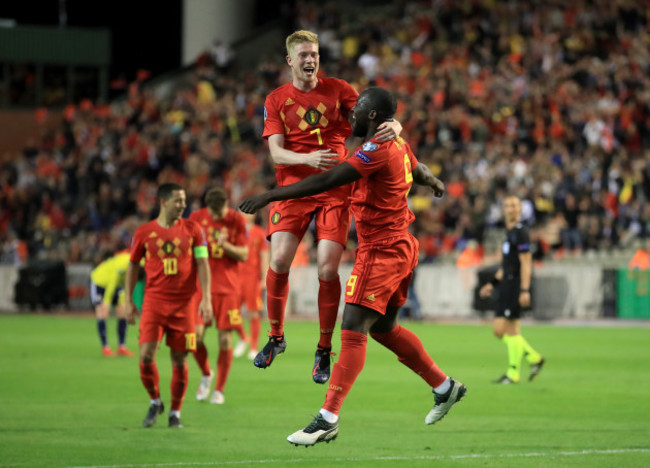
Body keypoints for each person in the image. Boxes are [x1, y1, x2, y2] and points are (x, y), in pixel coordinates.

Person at [240, 87, 466, 446]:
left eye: (358, 108)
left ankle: (327, 417)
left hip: (381, 251)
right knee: (384, 329)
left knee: (354, 326)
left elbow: (328, 180)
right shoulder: (395, 143)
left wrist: (270, 196)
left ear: (373, 117)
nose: (352, 112)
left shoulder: (374, 151)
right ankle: (444, 386)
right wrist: (436, 182)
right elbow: (417, 168)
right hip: (403, 245)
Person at [258, 30, 402, 384]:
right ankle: (276, 337)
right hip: (293, 187)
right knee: (278, 260)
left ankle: (323, 350)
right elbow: (276, 152)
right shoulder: (276, 99)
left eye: (315, 54)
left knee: (326, 269)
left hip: (335, 189)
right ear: (290, 61)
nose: (310, 60)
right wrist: (308, 157)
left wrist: (395, 124)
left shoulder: (339, 89)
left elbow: (372, 117)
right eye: (303, 55)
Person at [124, 183, 213, 428]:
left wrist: (206, 298)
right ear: (163, 202)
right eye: (178, 200)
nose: (183, 205)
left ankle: (175, 413)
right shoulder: (143, 232)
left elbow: (203, 264)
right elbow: (132, 266)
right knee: (145, 355)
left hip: (185, 305)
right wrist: (128, 300)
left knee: (180, 360)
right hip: (154, 303)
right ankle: (155, 401)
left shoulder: (194, 230)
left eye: (184, 200)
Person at [189, 187, 248, 405]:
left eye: (218, 213)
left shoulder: (236, 221)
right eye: (212, 214)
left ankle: (219, 390)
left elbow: (244, 254)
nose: (215, 218)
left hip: (227, 289)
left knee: (225, 339)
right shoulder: (196, 218)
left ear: (225, 205)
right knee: (194, 337)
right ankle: (206, 374)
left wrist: (225, 245)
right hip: (201, 288)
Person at [479, 195, 545, 384]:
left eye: (514, 205)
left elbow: (526, 263)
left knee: (510, 329)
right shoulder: (508, 234)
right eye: (507, 205)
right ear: (504, 209)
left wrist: (525, 289)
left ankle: (513, 373)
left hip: (516, 285)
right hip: (506, 284)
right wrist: (491, 284)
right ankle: (534, 358)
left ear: (519, 209)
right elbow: (505, 266)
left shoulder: (521, 232)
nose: (510, 208)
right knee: (500, 330)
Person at [235, 212, 270, 360]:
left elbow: (264, 255)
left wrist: (264, 277)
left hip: (252, 278)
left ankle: (254, 347)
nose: (244, 215)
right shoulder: (233, 232)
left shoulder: (259, 233)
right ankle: (243, 337)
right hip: (235, 277)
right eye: (242, 212)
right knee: (231, 313)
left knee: (254, 312)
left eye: (248, 212)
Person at [89, 249, 134, 357]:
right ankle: (105, 347)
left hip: (116, 285)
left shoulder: (140, 263)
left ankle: (122, 347)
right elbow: (113, 281)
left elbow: (125, 283)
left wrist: (124, 299)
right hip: (100, 282)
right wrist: (107, 301)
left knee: (123, 312)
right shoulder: (125, 263)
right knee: (103, 313)